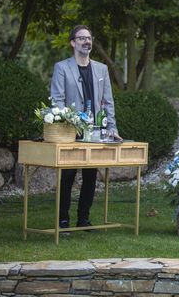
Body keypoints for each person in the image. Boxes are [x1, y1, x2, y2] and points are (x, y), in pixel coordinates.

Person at [50, 24, 120, 231]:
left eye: (89, 38)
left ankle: (84, 219)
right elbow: (57, 100)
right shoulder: (62, 67)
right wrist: (69, 124)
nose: (86, 41)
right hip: (71, 133)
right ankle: (63, 219)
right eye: (81, 38)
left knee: (90, 176)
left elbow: (108, 102)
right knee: (68, 177)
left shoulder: (101, 69)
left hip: (96, 132)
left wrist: (112, 128)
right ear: (73, 43)